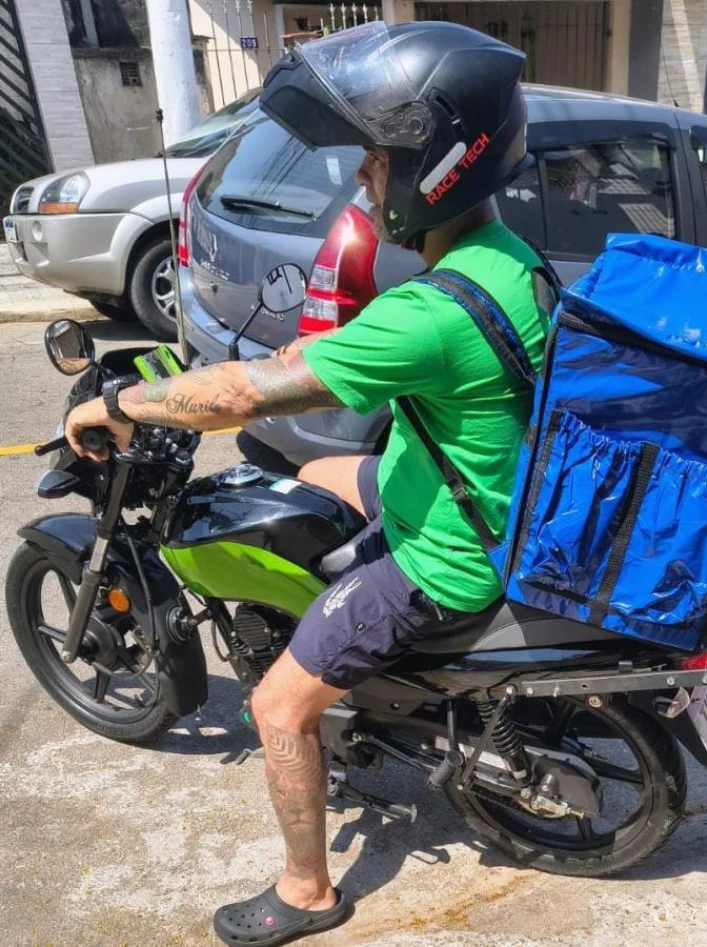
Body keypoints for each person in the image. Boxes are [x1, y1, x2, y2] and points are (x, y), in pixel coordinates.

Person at [65, 20, 551, 946]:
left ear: (435, 168)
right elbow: (338, 363)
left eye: (379, 158)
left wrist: (122, 399)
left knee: (276, 706)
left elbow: (239, 397)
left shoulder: (429, 314)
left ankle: (306, 889)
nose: (364, 174)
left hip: (447, 556)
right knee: (310, 470)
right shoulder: (507, 260)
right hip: (476, 492)